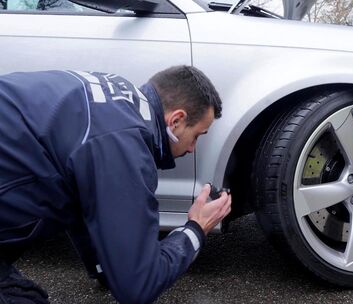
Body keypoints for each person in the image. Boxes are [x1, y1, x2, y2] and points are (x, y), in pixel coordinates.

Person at [0, 66, 232, 303]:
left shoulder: (114, 102)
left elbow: (82, 202)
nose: (193, 148)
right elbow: (139, 287)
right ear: (176, 121)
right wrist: (196, 229)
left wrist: (109, 268)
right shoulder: (125, 145)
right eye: (197, 136)